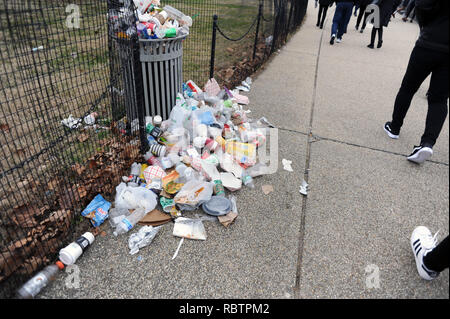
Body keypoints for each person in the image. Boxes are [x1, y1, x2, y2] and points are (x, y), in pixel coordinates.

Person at [384, 0, 448, 164]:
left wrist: (427, 25)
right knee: (439, 100)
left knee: (408, 87)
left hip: (429, 43)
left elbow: (422, 4)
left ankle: (395, 127)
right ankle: (427, 143)